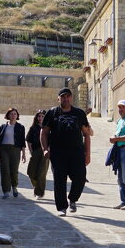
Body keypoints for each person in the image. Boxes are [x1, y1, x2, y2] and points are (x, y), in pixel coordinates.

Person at [41, 87, 93, 216]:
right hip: (58, 152)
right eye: (63, 96)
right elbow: (44, 132)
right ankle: (62, 207)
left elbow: (86, 134)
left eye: (68, 96)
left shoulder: (79, 113)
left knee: (80, 178)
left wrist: (88, 154)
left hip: (77, 151)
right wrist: (45, 149)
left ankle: (73, 199)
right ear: (58, 98)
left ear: (71, 98)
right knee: (59, 180)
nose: (65, 99)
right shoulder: (52, 113)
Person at [0, 108, 26, 199]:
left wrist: (23, 154)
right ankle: (6, 191)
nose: (13, 116)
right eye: (11, 114)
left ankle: (14, 187)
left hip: (15, 150)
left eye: (15, 114)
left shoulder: (20, 127)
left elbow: (22, 142)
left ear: (17, 116)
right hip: (4, 149)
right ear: (8, 115)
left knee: (14, 170)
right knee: (5, 171)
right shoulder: (3, 127)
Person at [25, 110, 48, 198]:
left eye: (42, 116)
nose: (41, 118)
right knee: (31, 172)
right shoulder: (33, 128)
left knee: (42, 173)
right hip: (35, 151)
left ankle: (39, 193)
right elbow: (29, 141)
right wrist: (31, 152)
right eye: (39, 116)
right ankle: (36, 186)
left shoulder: (48, 128)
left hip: (45, 152)